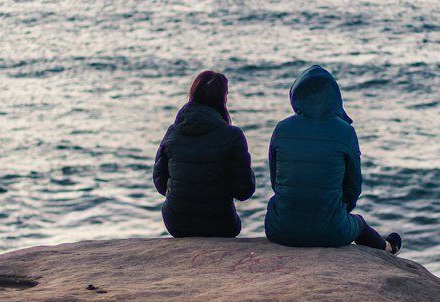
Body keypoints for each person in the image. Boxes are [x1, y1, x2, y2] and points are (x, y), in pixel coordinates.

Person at [264, 64, 401, 254]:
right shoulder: (346, 131)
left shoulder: (281, 128)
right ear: (335, 97)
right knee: (358, 223)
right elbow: (353, 186)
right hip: (330, 232)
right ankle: (388, 248)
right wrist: (340, 210)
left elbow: (275, 181)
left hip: (280, 229)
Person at [153, 70, 256, 238]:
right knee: (234, 223)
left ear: (193, 94)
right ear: (223, 98)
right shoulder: (233, 135)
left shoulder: (173, 132)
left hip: (176, 223)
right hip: (221, 225)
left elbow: (160, 184)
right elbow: (244, 192)